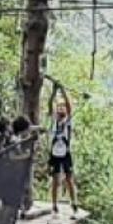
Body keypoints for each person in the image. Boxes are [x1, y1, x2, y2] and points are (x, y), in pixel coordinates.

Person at [46, 83, 77, 214]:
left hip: (65, 153)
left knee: (69, 178)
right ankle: (54, 204)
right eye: (59, 107)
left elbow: (70, 107)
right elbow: (50, 105)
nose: (61, 109)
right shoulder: (54, 120)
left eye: (63, 107)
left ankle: (74, 202)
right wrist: (54, 91)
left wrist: (63, 90)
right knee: (55, 180)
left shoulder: (68, 121)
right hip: (54, 153)